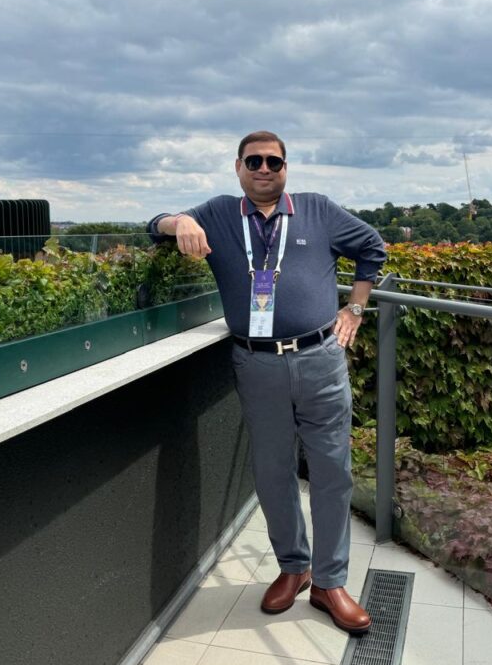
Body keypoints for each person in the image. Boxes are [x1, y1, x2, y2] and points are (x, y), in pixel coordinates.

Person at [148, 130, 386, 633]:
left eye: (273, 162)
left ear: (285, 168)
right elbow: (151, 225)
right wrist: (179, 221)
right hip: (256, 364)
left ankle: (330, 582)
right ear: (238, 168)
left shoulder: (318, 211)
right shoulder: (217, 214)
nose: (263, 169)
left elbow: (372, 248)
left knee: (332, 471)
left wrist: (356, 308)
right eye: (253, 161)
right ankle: (293, 568)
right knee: (273, 472)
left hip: (321, 358)